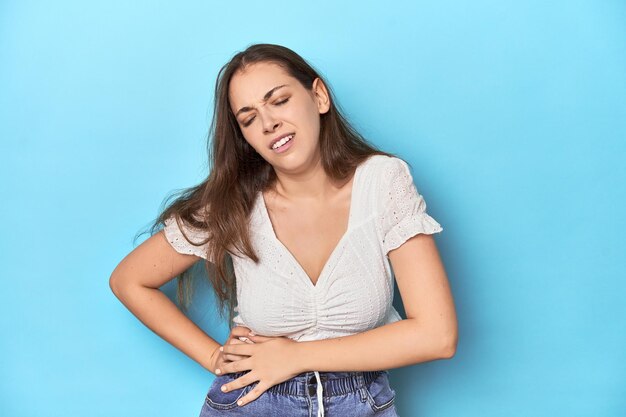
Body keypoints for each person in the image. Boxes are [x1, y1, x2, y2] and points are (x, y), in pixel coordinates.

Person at [109, 43, 458, 417]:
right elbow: (129, 280)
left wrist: (295, 356)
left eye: (279, 100)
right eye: (248, 118)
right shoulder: (234, 203)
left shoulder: (384, 181)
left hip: (361, 402)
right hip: (251, 403)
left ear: (319, 96)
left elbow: (437, 335)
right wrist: (215, 357)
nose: (268, 123)